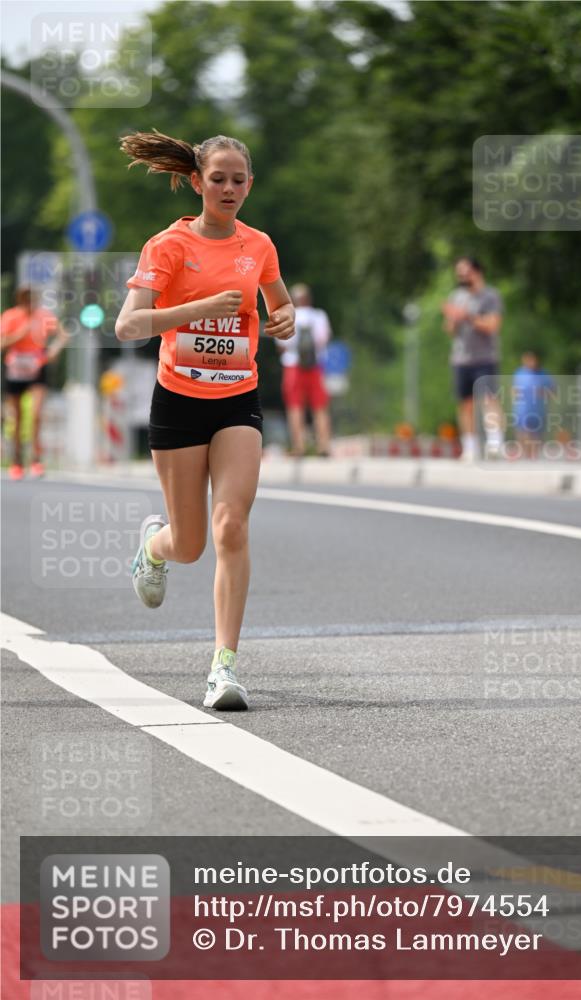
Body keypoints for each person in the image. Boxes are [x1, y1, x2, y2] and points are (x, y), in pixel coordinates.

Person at [116, 129, 295, 711]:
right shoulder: (167, 247)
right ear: (196, 182)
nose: (228, 188)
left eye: (238, 179)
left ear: (249, 185)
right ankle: (156, 547)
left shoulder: (258, 245)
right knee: (190, 544)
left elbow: (279, 300)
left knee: (231, 528)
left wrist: (283, 318)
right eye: (217, 178)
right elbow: (128, 327)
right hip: (178, 402)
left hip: (237, 398)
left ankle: (224, 667)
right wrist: (197, 310)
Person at [1, 285, 70, 479]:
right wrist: (18, 335)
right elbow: (2, 343)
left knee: (36, 414)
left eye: (32, 299)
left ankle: (36, 459)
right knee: (17, 416)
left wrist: (54, 350)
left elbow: (64, 335)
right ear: (20, 300)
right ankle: (16, 460)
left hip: (36, 365)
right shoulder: (11, 316)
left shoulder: (43, 316)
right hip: (15, 367)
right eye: (25, 299)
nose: (29, 303)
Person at [441, 257, 504, 461]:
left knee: (489, 400)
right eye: (458, 272)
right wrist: (453, 318)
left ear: (477, 272)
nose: (461, 276)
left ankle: (495, 443)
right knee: (465, 404)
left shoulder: (490, 296)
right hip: (461, 359)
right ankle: (470, 446)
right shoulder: (456, 296)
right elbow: (449, 330)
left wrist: (467, 316)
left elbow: (493, 325)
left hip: (485, 357)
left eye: (465, 272)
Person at [276, 283, 331, 457]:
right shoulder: (319, 316)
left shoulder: (288, 316)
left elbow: (282, 345)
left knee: (295, 407)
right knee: (320, 407)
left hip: (293, 366)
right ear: (309, 299)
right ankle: (323, 445)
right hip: (316, 366)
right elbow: (324, 339)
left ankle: (299, 446)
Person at [512, 351, 556, 459]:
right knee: (523, 431)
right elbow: (514, 390)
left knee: (536, 433)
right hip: (522, 409)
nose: (530, 362)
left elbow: (553, 392)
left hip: (538, 409)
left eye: (532, 359)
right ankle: (524, 454)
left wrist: (542, 393)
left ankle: (534, 455)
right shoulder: (519, 373)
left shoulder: (544, 374)